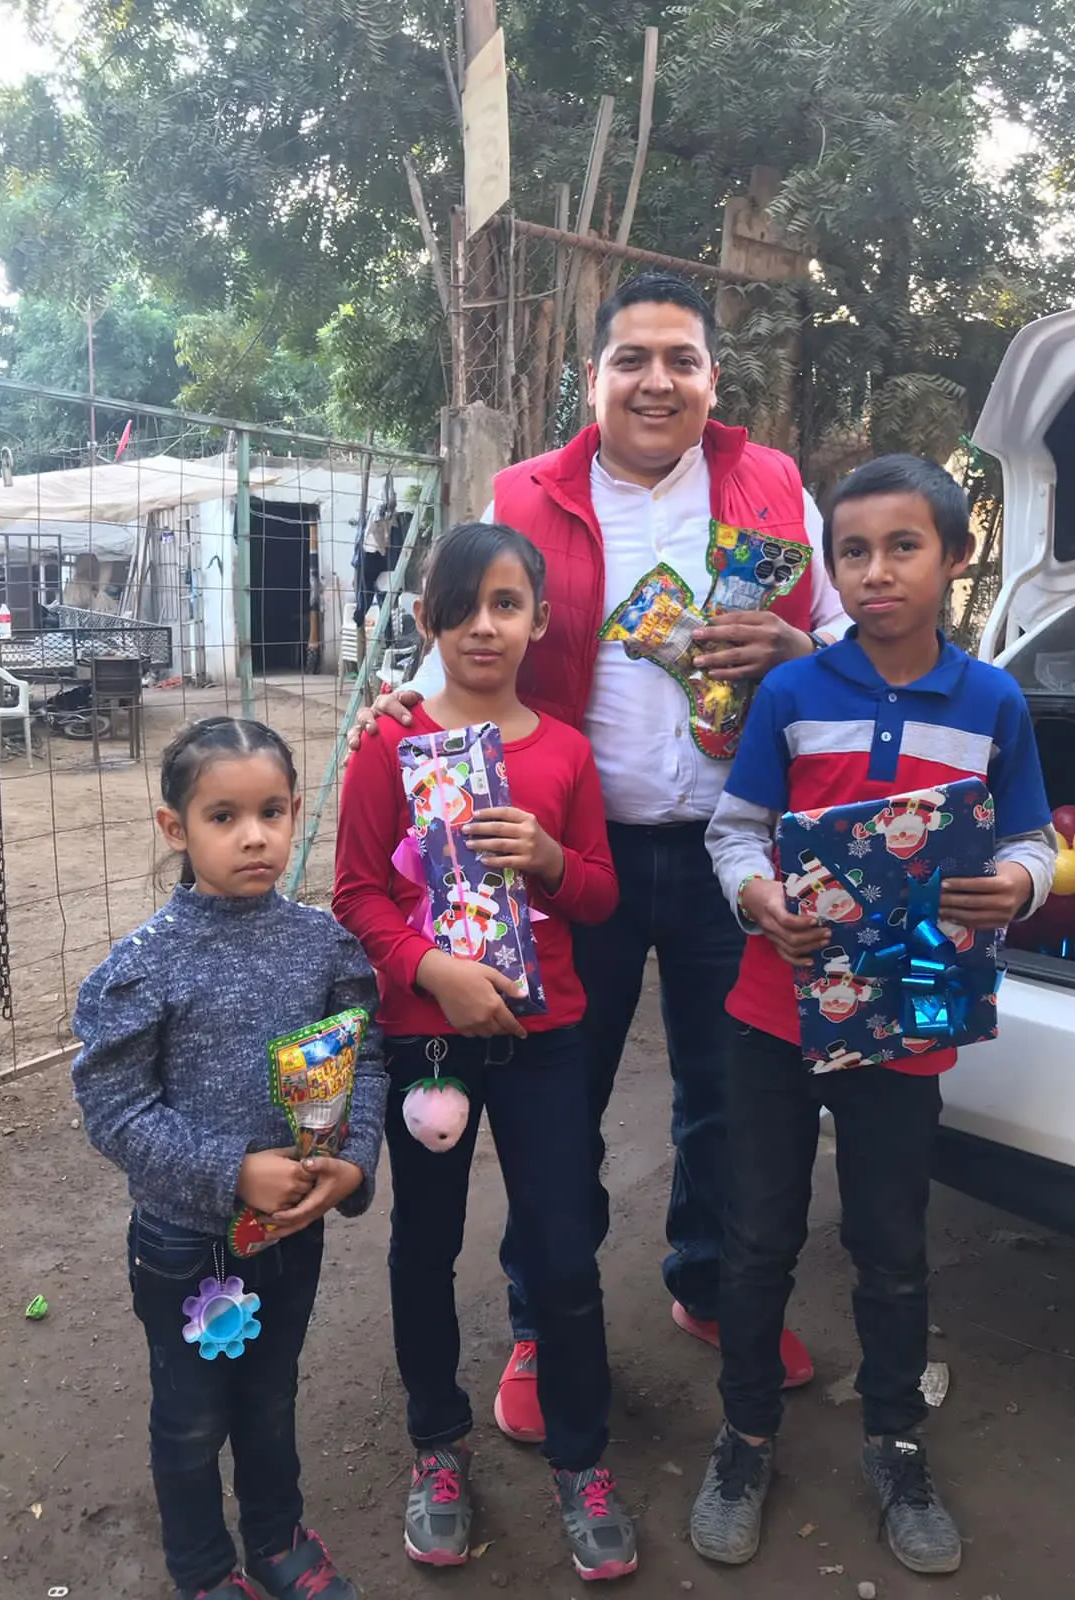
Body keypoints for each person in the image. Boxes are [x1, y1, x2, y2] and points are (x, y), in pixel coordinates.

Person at [353, 271, 847, 1439]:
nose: (657, 380)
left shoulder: (771, 484)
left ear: (713, 379)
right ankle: (541, 1318)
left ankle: (709, 1283)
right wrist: (403, 711)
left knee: (728, 1094)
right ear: (594, 378)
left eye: (682, 359)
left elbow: (835, 635)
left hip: (735, 846)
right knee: (552, 1094)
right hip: (565, 852)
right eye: (633, 359)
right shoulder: (529, 491)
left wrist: (794, 645)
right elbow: (477, 622)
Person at [692, 455, 1057, 1575]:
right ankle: (745, 1434)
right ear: (831, 568)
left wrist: (1020, 887)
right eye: (854, 550)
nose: (877, 570)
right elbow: (734, 826)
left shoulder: (993, 701)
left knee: (890, 1245)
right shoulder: (795, 696)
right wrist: (757, 898)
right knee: (755, 1238)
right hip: (772, 1012)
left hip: (907, 1021)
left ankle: (895, 1440)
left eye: (905, 546)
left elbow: (1032, 839)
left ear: (954, 559)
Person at [334, 522, 637, 1582]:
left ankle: (582, 1458)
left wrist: (553, 858)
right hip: (429, 1047)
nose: (482, 625)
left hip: (548, 1038)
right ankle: (438, 1445)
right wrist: (432, 972)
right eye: (460, 606)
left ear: (539, 620)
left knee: (562, 1250)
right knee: (425, 1246)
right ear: (427, 622)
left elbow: (601, 892)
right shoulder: (392, 742)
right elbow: (357, 894)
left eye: (506, 604)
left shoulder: (563, 750)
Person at [73, 716, 385, 1600]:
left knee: (272, 1397)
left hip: (291, 1233)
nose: (254, 835)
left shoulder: (320, 945)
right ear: (176, 828)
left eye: (273, 811)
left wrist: (352, 1161)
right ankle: (206, 1572)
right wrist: (231, 1169)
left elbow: (363, 1059)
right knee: (191, 1418)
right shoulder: (145, 966)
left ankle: (278, 1541)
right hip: (184, 1249)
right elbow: (115, 1108)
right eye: (224, 816)